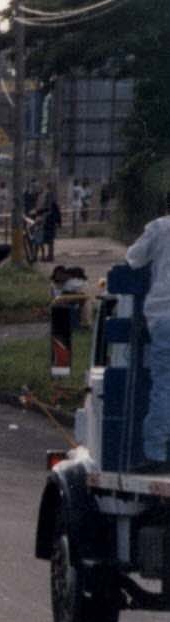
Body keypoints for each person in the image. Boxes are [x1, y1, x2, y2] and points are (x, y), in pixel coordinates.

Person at [125, 190, 170, 471]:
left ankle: (156, 452)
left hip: (164, 315)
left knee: (164, 384)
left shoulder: (160, 227)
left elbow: (133, 258)